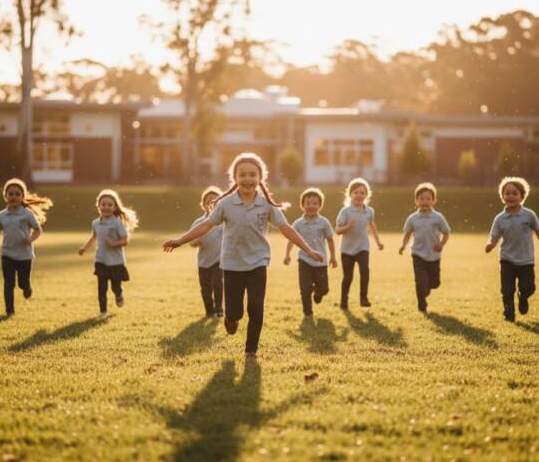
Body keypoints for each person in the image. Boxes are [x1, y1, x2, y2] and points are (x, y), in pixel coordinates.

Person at [162, 152, 323, 358]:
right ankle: (230, 319)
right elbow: (206, 225)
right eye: (243, 175)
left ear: (260, 178)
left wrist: (308, 249)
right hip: (232, 265)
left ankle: (251, 350)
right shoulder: (226, 204)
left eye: (252, 175)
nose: (247, 179)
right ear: (235, 178)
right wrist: (180, 241)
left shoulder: (266, 205)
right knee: (235, 312)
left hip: (258, 263)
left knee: (256, 308)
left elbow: (286, 228)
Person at [0, 178, 52, 316]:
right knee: (9, 283)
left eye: (17, 194)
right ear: (5, 196)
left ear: (22, 197)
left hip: (25, 256)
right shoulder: (1, 216)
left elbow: (38, 230)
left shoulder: (27, 214)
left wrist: (31, 239)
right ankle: (10, 311)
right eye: (11, 194)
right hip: (7, 254)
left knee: (22, 283)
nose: (14, 197)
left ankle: (27, 288)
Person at [485, 177, 539, 322]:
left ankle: (523, 297)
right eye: (507, 193)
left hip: (526, 260)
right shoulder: (500, 219)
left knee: (529, 287)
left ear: (522, 196)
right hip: (507, 260)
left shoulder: (529, 215)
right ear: (502, 196)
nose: (510, 196)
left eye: (515, 193)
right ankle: (509, 314)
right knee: (507, 290)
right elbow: (494, 236)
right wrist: (490, 244)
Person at [78, 189, 138, 319]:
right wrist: (84, 248)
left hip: (116, 262)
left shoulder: (117, 223)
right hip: (101, 260)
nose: (106, 207)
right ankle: (103, 312)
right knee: (101, 288)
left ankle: (119, 294)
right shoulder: (95, 223)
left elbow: (125, 240)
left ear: (115, 207)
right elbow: (94, 237)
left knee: (115, 287)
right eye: (103, 204)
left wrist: (113, 244)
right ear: (98, 206)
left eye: (110, 205)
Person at [284, 188, 337, 316]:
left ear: (320, 206)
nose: (311, 206)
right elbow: (291, 239)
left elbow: (330, 240)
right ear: (302, 205)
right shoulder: (298, 223)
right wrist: (287, 254)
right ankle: (307, 312)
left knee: (323, 289)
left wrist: (333, 257)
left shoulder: (324, 223)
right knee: (305, 288)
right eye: (308, 203)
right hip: (304, 260)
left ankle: (318, 292)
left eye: (314, 203)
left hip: (321, 262)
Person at [399, 182, 450, 313]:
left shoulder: (438, 218)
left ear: (434, 201)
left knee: (435, 283)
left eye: (428, 198)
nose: (425, 201)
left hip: (434, 255)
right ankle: (422, 305)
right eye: (421, 198)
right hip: (417, 254)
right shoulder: (413, 218)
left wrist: (441, 244)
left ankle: (425, 289)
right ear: (416, 201)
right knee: (420, 281)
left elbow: (446, 232)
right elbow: (407, 234)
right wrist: (403, 246)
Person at [335, 177, 384, 309]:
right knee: (348, 277)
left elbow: (371, 225)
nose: (359, 195)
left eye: (362, 193)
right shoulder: (345, 212)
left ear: (366, 195)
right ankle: (343, 301)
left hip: (363, 247)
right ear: (350, 194)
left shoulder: (369, 211)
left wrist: (378, 242)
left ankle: (363, 298)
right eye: (356, 192)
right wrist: (347, 227)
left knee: (365, 271)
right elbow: (337, 230)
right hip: (347, 249)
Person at [190, 186, 225, 318]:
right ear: (203, 205)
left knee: (218, 283)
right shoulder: (199, 222)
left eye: (215, 201)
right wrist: (195, 242)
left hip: (219, 260)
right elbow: (191, 241)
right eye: (208, 201)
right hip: (204, 261)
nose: (212, 204)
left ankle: (219, 308)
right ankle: (209, 310)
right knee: (205, 288)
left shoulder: (224, 222)